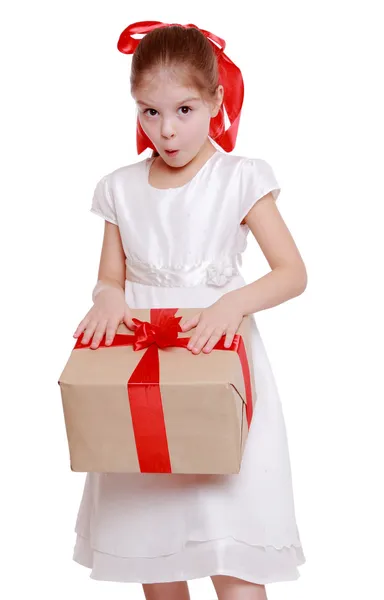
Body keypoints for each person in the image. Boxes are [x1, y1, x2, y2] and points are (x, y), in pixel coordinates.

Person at [72, 21, 307, 600]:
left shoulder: (239, 178)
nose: (166, 130)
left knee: (233, 544)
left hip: (217, 367)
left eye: (183, 109)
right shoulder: (120, 189)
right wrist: (106, 296)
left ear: (216, 101)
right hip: (144, 380)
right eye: (149, 112)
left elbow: (292, 273)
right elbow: (110, 277)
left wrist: (233, 304)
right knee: (156, 541)